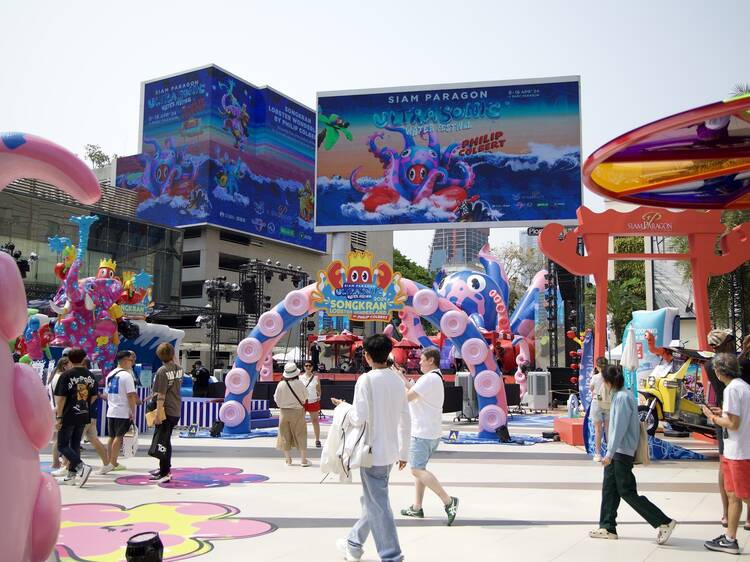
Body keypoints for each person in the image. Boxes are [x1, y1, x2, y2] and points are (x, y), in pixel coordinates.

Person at [331, 334, 411, 562]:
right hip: (389, 452)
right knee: (374, 501)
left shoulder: (365, 380)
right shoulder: (397, 380)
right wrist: (404, 452)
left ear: (366, 355)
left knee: (378, 504)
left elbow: (358, 417)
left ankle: (391, 555)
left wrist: (344, 407)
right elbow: (406, 418)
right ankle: (353, 543)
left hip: (370, 451)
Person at [589, 365, 677, 544]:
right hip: (619, 451)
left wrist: (610, 453)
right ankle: (607, 526)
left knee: (627, 491)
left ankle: (663, 521)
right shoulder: (625, 394)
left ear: (607, 382)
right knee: (609, 489)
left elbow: (618, 428)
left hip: (620, 452)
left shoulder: (621, 398)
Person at [400, 347, 458, 526]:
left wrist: (395, 384)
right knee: (421, 469)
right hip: (431, 433)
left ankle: (448, 501)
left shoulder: (428, 378)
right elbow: (415, 390)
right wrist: (401, 378)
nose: (419, 363)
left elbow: (407, 397)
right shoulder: (436, 378)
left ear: (431, 361)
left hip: (422, 432)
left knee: (416, 470)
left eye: (422, 360)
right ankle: (417, 508)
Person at [702, 353, 750, 554]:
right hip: (741, 448)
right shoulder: (744, 387)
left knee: (739, 496)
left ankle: (730, 539)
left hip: (737, 451)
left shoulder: (731, 390)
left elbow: (733, 423)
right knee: (735, 495)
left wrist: (712, 417)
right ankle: (730, 538)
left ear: (720, 370)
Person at [53, 348, 96, 487]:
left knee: (62, 445)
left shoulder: (66, 375)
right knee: (75, 443)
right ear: (84, 359)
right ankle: (71, 476)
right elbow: (94, 395)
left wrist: (59, 417)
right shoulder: (90, 375)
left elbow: (60, 398)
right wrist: (84, 403)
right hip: (83, 413)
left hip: (68, 414)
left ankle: (80, 466)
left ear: (69, 359)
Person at [99, 351, 138, 475]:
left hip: (111, 409)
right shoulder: (127, 376)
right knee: (118, 437)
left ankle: (110, 462)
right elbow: (131, 395)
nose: (132, 363)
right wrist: (133, 411)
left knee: (111, 436)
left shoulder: (110, 374)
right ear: (125, 360)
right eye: (131, 360)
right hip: (123, 410)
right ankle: (112, 462)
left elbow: (106, 394)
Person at [150, 343, 183, 483]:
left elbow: (161, 394)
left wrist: (157, 414)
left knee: (162, 441)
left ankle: (165, 472)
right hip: (175, 409)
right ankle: (164, 468)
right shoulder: (179, 369)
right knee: (166, 440)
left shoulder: (162, 371)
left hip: (165, 410)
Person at [274, 362, 310, 466]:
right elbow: (305, 396)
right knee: (301, 434)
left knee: (284, 435)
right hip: (298, 411)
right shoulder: (299, 383)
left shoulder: (280, 384)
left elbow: (276, 399)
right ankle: (303, 460)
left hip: (284, 412)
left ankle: (288, 460)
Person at [47, 356, 71, 470]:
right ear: (64, 365)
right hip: (60, 410)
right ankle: (59, 462)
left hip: (56, 409)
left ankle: (57, 462)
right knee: (61, 438)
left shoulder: (54, 376)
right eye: (70, 364)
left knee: (58, 438)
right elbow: (61, 397)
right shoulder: (61, 377)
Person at [589, 356, 610, 462]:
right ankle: (610, 453)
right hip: (608, 403)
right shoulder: (611, 376)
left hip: (597, 402)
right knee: (608, 429)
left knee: (598, 430)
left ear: (597, 366)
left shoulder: (595, 377)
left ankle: (597, 454)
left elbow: (591, 388)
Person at [300, 361, 322, 448]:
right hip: (303, 401)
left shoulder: (316, 378)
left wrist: (319, 396)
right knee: (301, 422)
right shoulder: (300, 377)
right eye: (306, 366)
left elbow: (319, 389)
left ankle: (317, 440)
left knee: (315, 421)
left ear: (312, 367)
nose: (308, 367)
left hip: (313, 401)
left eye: (310, 366)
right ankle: (301, 440)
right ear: (304, 367)